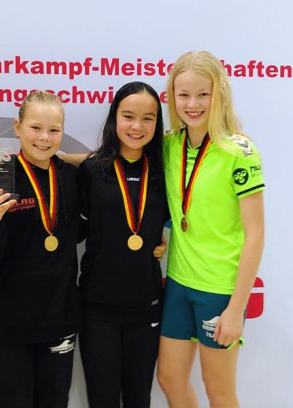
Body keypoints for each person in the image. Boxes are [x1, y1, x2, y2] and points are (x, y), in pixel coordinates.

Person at [156, 51, 265, 408]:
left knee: (218, 391)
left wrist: (236, 309)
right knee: (170, 379)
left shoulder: (240, 151)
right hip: (179, 282)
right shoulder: (170, 144)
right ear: (172, 96)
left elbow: (255, 234)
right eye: (184, 94)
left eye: (203, 94)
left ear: (220, 94)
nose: (193, 104)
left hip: (219, 289)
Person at [0, 91, 82, 408]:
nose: (44, 138)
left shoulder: (71, 177)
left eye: (54, 130)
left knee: (55, 402)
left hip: (59, 317)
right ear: (18, 128)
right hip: (9, 321)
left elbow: (89, 230)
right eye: (35, 128)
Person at [77, 81, 169, 408]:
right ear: (114, 117)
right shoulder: (91, 170)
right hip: (97, 307)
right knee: (101, 399)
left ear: (157, 123)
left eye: (148, 118)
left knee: (138, 399)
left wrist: (162, 240)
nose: (136, 126)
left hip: (145, 305)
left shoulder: (164, 172)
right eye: (128, 116)